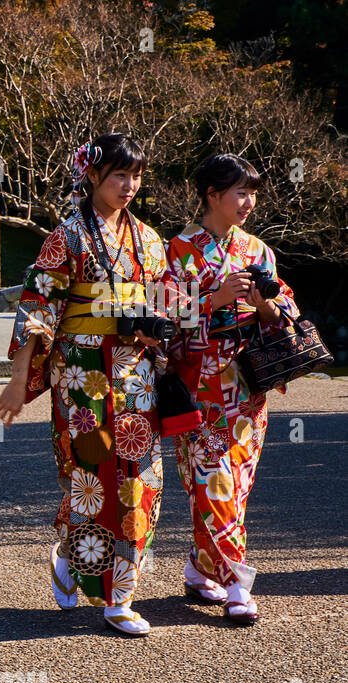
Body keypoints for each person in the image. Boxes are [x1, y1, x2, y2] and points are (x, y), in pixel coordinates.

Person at [0, 133, 177, 636]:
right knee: (90, 476)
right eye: (119, 174)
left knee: (142, 478)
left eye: (136, 176)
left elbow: (170, 303)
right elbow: (37, 306)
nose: (129, 185)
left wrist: (156, 326)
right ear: (92, 175)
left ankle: (120, 595)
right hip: (81, 374)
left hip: (135, 372)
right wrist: (16, 379)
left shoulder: (149, 239)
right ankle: (80, 567)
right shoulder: (67, 235)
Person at [164, 154, 299, 625]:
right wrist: (214, 299)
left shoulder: (258, 251)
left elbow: (284, 312)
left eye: (252, 192)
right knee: (212, 481)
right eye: (239, 192)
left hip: (247, 386)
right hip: (200, 385)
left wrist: (266, 307)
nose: (248, 201)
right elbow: (163, 322)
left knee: (233, 486)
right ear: (211, 195)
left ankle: (203, 570)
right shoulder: (177, 250)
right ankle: (239, 584)